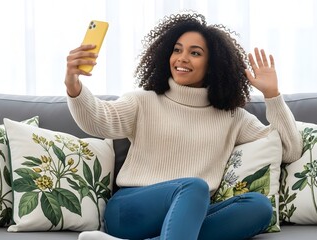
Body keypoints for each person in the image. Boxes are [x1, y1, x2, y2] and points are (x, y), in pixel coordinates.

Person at [64, 12, 302, 240]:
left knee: (259, 207)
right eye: (176, 50)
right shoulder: (142, 101)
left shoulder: (233, 117)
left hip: (189, 215)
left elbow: (288, 149)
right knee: (194, 187)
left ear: (213, 64)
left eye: (195, 53)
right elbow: (97, 120)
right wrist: (73, 84)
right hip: (130, 210)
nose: (182, 58)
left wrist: (273, 96)